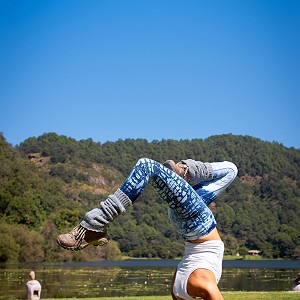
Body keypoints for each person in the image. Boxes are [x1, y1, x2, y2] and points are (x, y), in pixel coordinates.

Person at [57, 158, 237, 300]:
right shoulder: (178, 291)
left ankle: (94, 224)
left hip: (198, 223)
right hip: (188, 225)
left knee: (146, 165)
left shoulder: (203, 285)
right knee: (230, 170)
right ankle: (183, 172)